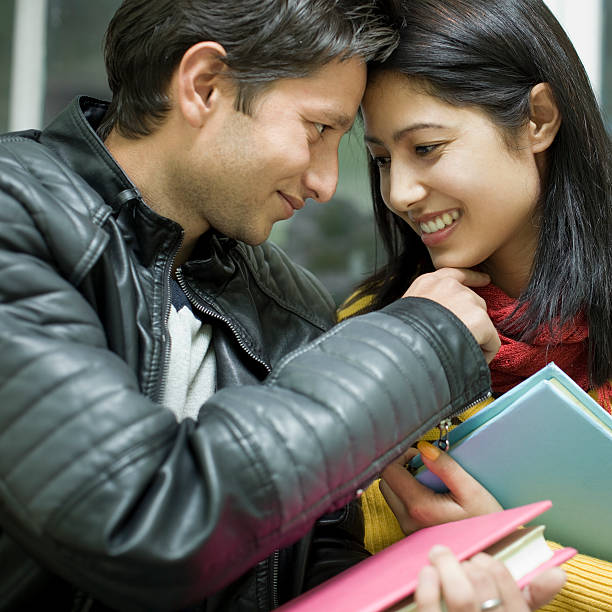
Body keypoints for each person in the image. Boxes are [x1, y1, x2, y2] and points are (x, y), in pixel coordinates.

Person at [0, 0, 565, 610]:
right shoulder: (16, 217)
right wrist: (421, 339)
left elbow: (311, 572)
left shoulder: (287, 303)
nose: (327, 183)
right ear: (204, 86)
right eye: (319, 129)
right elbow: (140, 521)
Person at [347, 0, 612, 610]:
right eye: (383, 159)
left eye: (428, 148)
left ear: (538, 120)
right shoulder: (374, 324)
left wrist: (516, 556)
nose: (399, 193)